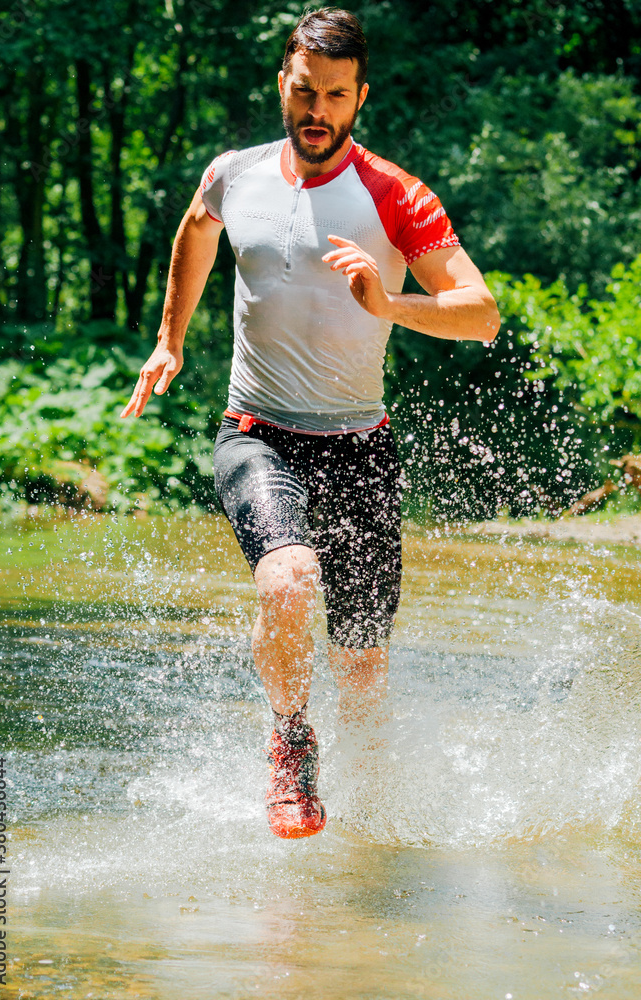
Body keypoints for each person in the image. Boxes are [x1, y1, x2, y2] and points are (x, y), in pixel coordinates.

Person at [121, 8, 500, 840]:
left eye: (335, 94)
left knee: (362, 663)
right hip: (256, 431)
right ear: (282, 86)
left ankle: (369, 825)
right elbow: (196, 230)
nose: (316, 110)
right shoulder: (235, 173)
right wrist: (168, 341)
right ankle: (290, 743)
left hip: (361, 444)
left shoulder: (395, 195)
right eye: (303, 91)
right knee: (287, 577)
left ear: (359, 97)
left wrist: (389, 302)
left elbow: (481, 314)